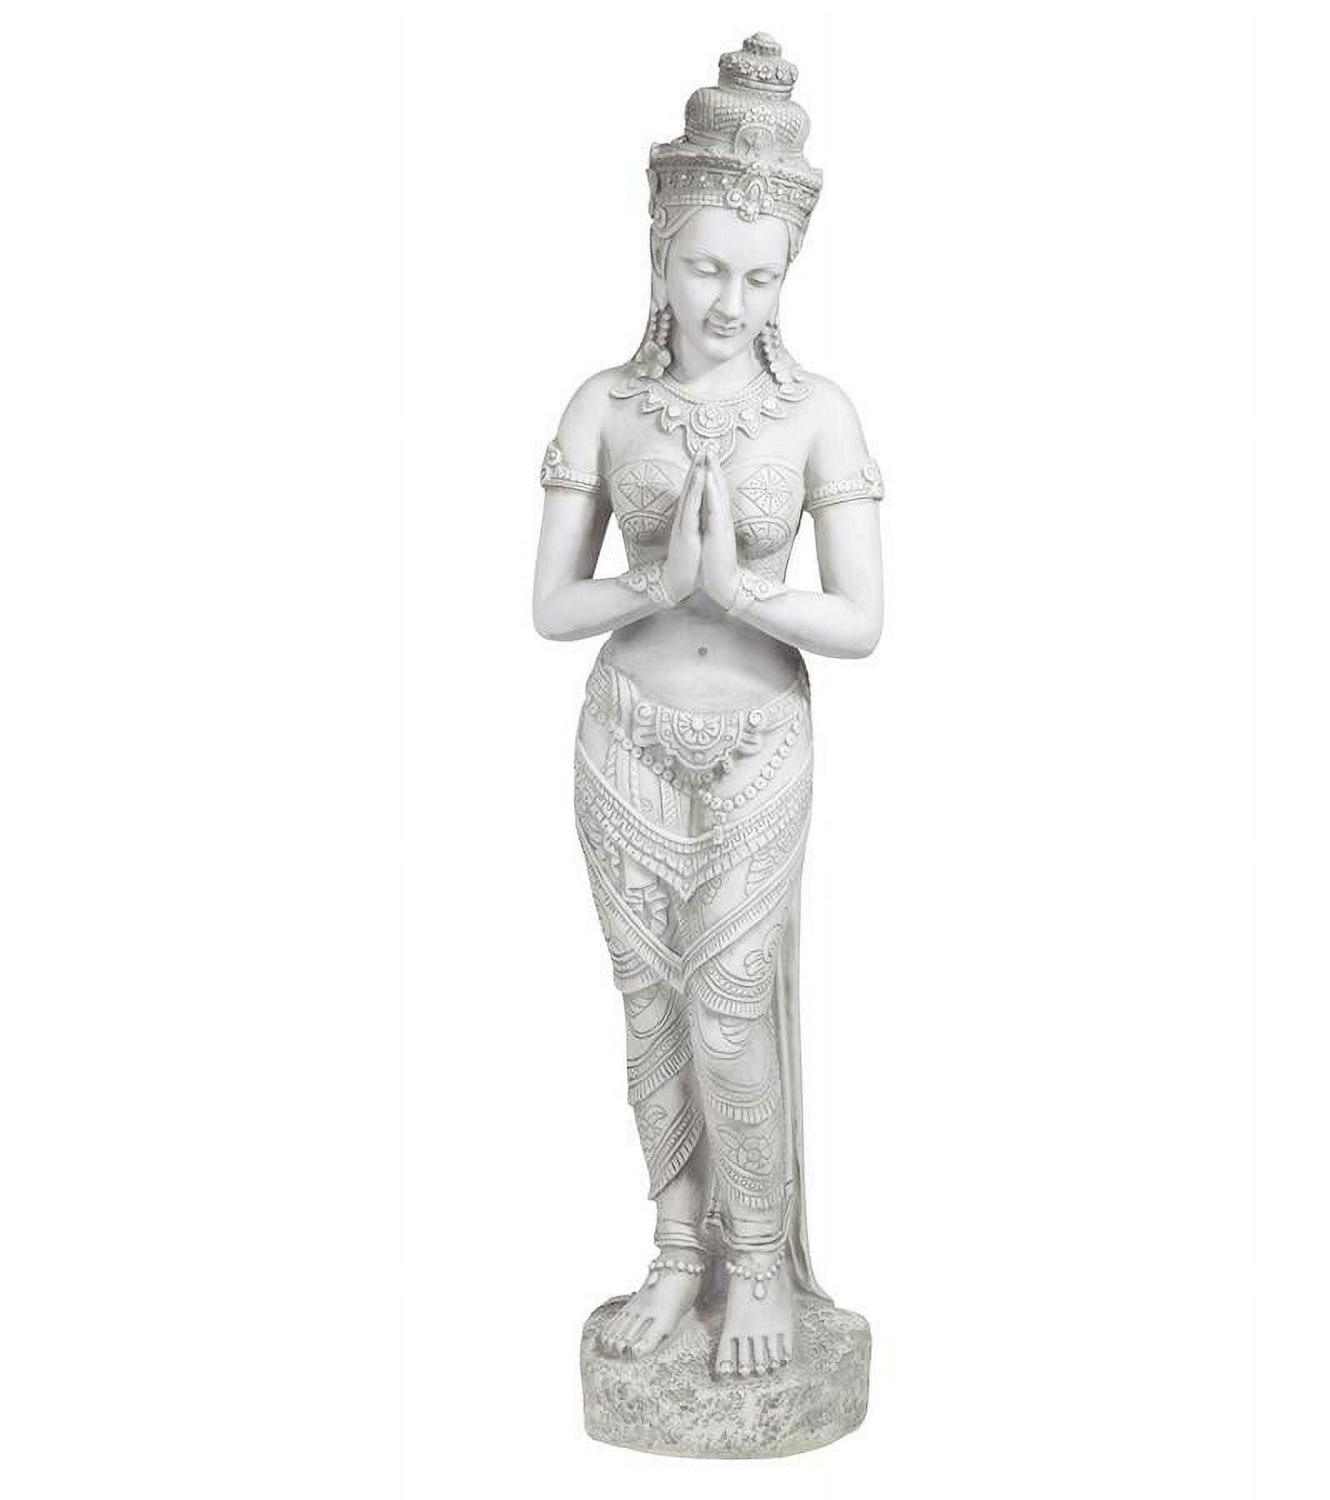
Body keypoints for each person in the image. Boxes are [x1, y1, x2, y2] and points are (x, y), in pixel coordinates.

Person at [532, 35, 884, 1381]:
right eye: (706, 269)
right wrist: (656, 586)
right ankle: (675, 1250)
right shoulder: (604, 404)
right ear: (659, 257)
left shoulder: (818, 415)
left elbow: (861, 620)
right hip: (624, 736)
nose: (731, 301)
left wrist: (741, 597)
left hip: (755, 748)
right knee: (646, 1007)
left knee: (729, 1007)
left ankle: (758, 1262)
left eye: (760, 276)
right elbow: (549, 607)